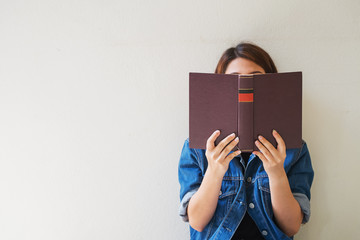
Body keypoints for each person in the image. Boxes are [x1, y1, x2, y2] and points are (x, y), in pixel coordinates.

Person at [178, 42, 314, 240]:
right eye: (235, 80)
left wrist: (276, 174)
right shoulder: (198, 147)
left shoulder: (294, 148)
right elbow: (197, 221)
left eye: (256, 79)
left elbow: (291, 226)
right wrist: (215, 171)